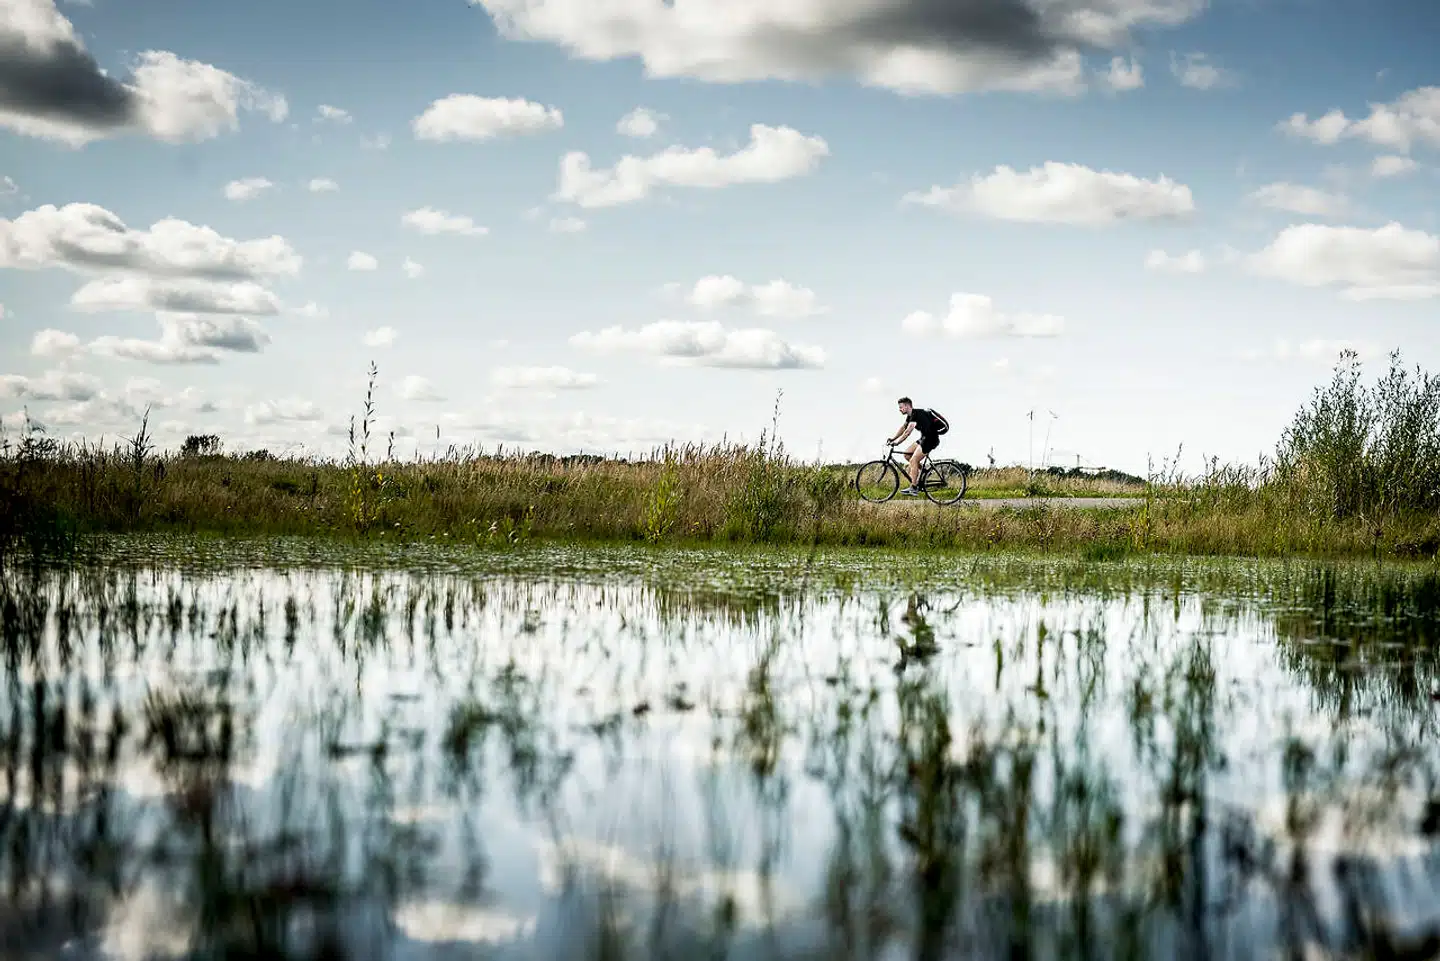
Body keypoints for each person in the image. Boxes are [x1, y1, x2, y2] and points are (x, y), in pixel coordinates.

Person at [886, 396, 942, 496]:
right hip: (924, 438)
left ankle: (914, 487)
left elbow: (908, 431)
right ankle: (924, 472)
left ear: (907, 406)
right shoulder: (911, 415)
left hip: (930, 439)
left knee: (913, 460)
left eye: (901, 407)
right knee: (907, 455)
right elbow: (903, 428)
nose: (899, 409)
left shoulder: (916, 414)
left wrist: (897, 443)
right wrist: (893, 438)